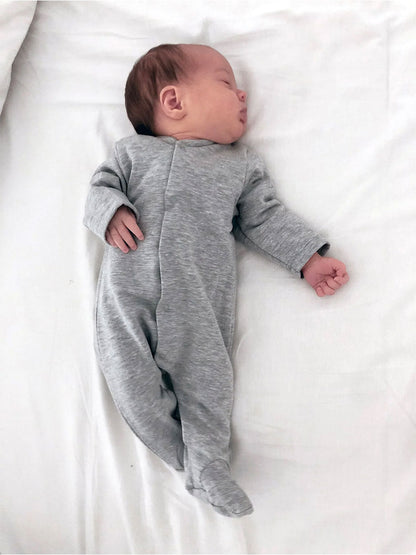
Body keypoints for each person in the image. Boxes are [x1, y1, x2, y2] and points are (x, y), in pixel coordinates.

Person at [83, 43, 349, 518]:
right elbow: (99, 189)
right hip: (126, 295)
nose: (243, 95)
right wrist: (111, 211)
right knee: (129, 380)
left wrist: (308, 258)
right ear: (173, 101)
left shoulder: (238, 166)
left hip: (199, 303)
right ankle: (181, 457)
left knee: (208, 387)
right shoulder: (131, 153)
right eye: (227, 83)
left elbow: (263, 219)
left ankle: (209, 463)